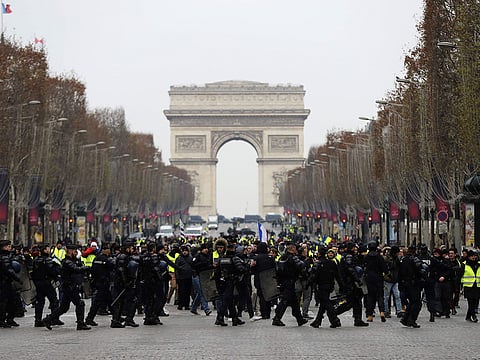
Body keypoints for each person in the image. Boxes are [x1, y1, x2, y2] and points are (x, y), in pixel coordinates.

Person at [42, 244, 91, 330]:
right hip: (69, 286)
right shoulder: (67, 262)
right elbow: (75, 269)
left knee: (63, 308)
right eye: (74, 251)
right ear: (70, 251)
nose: (76, 253)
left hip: (69, 286)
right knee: (80, 303)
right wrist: (86, 268)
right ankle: (80, 323)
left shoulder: (73, 260)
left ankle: (48, 319)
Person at [272, 243, 309, 327]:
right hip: (290, 281)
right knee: (285, 301)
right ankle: (277, 318)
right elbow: (301, 266)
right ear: (293, 249)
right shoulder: (293, 257)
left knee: (294, 302)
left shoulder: (282, 257)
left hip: (284, 281)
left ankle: (299, 319)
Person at [215, 242, 249, 326]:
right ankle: (219, 317)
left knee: (230, 301)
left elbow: (217, 271)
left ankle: (234, 318)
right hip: (232, 281)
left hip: (223, 281)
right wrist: (247, 266)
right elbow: (241, 269)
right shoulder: (235, 259)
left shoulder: (222, 259)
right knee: (227, 300)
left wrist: (218, 283)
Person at [309, 246, 342, 328]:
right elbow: (338, 275)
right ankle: (318, 321)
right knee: (323, 304)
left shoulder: (319, 263)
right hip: (330, 285)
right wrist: (342, 285)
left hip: (321, 286)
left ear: (319, 253)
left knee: (326, 303)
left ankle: (335, 319)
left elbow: (314, 275)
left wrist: (308, 284)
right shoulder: (332, 263)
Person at [31, 244, 62, 328]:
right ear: (45, 250)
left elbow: (32, 272)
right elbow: (52, 271)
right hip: (47, 282)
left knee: (39, 302)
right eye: (48, 248)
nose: (49, 250)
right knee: (54, 300)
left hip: (38, 283)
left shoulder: (36, 260)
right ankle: (54, 318)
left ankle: (37, 320)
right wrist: (56, 277)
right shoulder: (48, 260)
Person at [110, 241, 139, 328]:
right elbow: (121, 270)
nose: (132, 250)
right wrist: (125, 282)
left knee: (122, 302)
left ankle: (118, 320)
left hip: (122, 282)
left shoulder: (124, 256)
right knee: (130, 300)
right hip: (122, 283)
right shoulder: (123, 257)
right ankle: (123, 319)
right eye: (131, 248)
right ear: (127, 248)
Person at [85, 243, 114, 326]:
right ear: (105, 250)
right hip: (103, 283)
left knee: (106, 301)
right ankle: (116, 318)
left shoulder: (96, 258)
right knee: (103, 301)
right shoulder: (106, 259)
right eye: (108, 250)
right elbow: (112, 267)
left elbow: (93, 270)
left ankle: (116, 317)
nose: (109, 251)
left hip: (98, 282)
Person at [398, 245, 426, 328]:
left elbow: (399, 273)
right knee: (417, 303)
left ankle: (405, 318)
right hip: (414, 284)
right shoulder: (415, 260)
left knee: (412, 302)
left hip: (405, 284)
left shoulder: (403, 260)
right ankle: (411, 320)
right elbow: (421, 271)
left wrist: (400, 284)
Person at [364, 241, 388, 322]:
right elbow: (385, 268)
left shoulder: (366, 257)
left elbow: (364, 267)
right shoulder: (379, 257)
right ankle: (382, 312)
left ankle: (370, 315)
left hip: (369, 278)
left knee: (370, 297)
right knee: (380, 296)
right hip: (378, 278)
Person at [0, 240, 22, 328]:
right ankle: (3, 320)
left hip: (4, 282)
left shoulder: (6, 256)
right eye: (8, 246)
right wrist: (17, 279)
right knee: (5, 302)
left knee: (10, 301)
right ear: (4, 247)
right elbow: (9, 270)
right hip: (4, 283)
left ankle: (9, 319)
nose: (10, 248)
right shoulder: (4, 257)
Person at [190, 243, 213, 316]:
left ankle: (193, 308)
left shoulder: (208, 256)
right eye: (204, 248)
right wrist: (203, 264)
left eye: (207, 248)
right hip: (196, 275)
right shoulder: (198, 256)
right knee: (202, 292)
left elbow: (208, 266)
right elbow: (193, 265)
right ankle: (206, 309)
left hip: (204, 276)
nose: (206, 250)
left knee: (200, 293)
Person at [461, 250, 480, 322]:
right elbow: (460, 276)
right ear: (469, 257)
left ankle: (468, 316)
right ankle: (474, 316)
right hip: (468, 286)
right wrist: (458, 287)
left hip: (477, 286)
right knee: (470, 302)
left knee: (475, 302)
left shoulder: (478, 264)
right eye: (472, 256)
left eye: (475, 256)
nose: (474, 257)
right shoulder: (464, 264)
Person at [175, 245, 193, 311]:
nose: (185, 252)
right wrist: (177, 277)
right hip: (181, 278)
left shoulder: (190, 258)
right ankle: (180, 304)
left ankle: (186, 305)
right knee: (181, 291)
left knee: (187, 292)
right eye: (183, 251)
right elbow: (176, 268)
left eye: (186, 251)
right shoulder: (179, 258)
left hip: (188, 277)